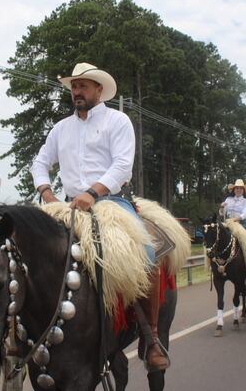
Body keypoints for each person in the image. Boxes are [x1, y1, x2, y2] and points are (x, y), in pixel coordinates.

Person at [30, 62, 169, 371]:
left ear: (99, 90)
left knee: (146, 252)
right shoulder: (60, 128)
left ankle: (152, 336)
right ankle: (27, 330)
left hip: (110, 202)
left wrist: (91, 193)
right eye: (74, 86)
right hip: (66, 205)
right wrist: (46, 192)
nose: (76, 91)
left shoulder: (117, 121)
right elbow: (40, 163)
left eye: (83, 86)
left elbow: (121, 165)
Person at [221, 179, 246, 269]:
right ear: (234, 190)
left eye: (240, 188)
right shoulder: (228, 199)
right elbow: (222, 213)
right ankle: (217, 260)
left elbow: (245, 214)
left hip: (240, 223)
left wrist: (236, 219)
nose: (238, 190)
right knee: (217, 234)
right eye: (237, 188)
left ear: (243, 190)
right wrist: (222, 208)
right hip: (228, 222)